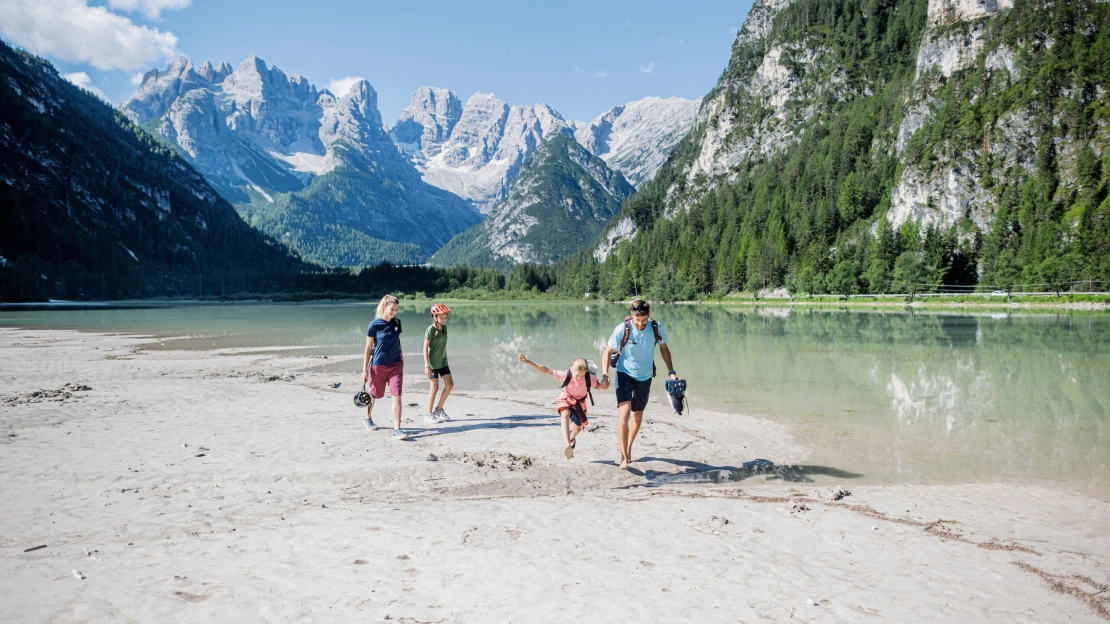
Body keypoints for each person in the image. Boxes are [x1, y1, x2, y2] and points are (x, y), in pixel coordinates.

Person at [600, 300, 677, 470]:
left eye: (643, 320)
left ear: (648, 316)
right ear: (632, 316)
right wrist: (605, 375)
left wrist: (671, 372)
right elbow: (607, 351)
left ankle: (628, 447)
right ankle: (624, 456)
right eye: (637, 321)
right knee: (625, 412)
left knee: (638, 414)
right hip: (624, 374)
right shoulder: (622, 329)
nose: (641, 324)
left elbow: (664, 349)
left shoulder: (656, 327)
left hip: (645, 377)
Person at [517, 354, 610, 459]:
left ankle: (572, 438)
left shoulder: (589, 377)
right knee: (564, 414)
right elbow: (546, 370)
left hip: (579, 404)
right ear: (571, 369)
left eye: (582, 376)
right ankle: (567, 446)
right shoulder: (566, 375)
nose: (579, 378)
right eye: (577, 376)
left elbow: (597, 386)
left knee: (578, 429)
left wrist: (604, 386)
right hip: (566, 398)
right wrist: (527, 361)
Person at [362, 294, 409, 440]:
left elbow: (398, 341)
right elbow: (368, 349)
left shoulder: (397, 323)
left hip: (396, 365)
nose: (394, 312)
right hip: (378, 366)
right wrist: (364, 370)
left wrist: (402, 357)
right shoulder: (374, 325)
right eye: (392, 309)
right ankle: (368, 418)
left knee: (397, 395)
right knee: (375, 394)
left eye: (396, 309)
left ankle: (397, 429)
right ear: (384, 307)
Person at [423, 303, 454, 423]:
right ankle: (428, 414)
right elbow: (425, 347)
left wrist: (445, 357)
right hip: (432, 364)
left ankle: (438, 409)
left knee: (450, 385)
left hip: (443, 362)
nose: (444, 319)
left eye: (445, 317)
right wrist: (426, 365)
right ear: (434, 317)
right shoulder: (431, 330)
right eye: (441, 317)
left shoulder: (444, 329)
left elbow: (443, 346)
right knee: (434, 388)